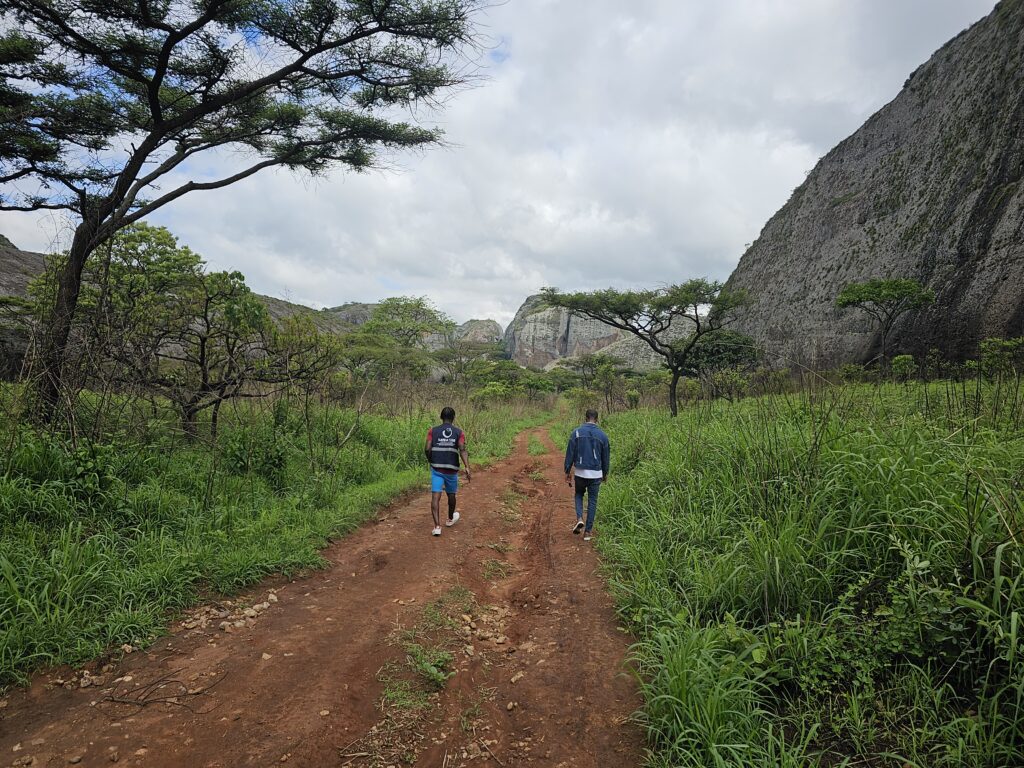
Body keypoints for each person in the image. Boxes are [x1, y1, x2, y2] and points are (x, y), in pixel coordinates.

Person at [425, 406, 471, 537]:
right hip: (451, 469)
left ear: (441, 417)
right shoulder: (459, 432)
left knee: (435, 495)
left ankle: (437, 527)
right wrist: (467, 466)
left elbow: (427, 448)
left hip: (437, 468)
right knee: (451, 494)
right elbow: (462, 449)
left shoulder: (433, 431)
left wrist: (431, 460)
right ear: (453, 418)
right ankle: (450, 519)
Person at [564, 409, 609, 541]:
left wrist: (567, 471)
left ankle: (579, 518)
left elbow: (570, 453)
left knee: (578, 494)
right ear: (597, 419)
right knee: (592, 501)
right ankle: (588, 532)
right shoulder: (602, 435)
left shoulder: (576, 433)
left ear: (585, 417)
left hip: (580, 472)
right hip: (596, 473)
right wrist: (605, 473)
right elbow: (605, 457)